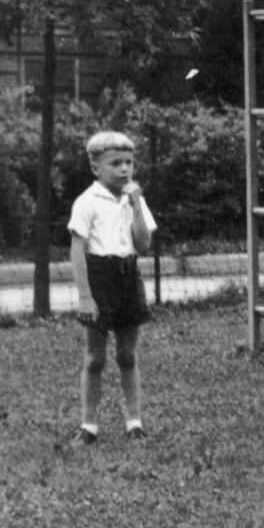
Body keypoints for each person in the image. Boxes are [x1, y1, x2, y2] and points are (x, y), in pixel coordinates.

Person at [68, 129, 157, 442]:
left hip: (127, 275)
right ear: (96, 167)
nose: (124, 169)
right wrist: (85, 296)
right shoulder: (87, 201)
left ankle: (135, 423)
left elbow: (143, 244)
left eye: (129, 162)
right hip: (99, 277)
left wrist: (136, 204)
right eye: (116, 163)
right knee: (95, 357)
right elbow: (77, 250)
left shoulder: (134, 200)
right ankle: (88, 426)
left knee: (127, 355)